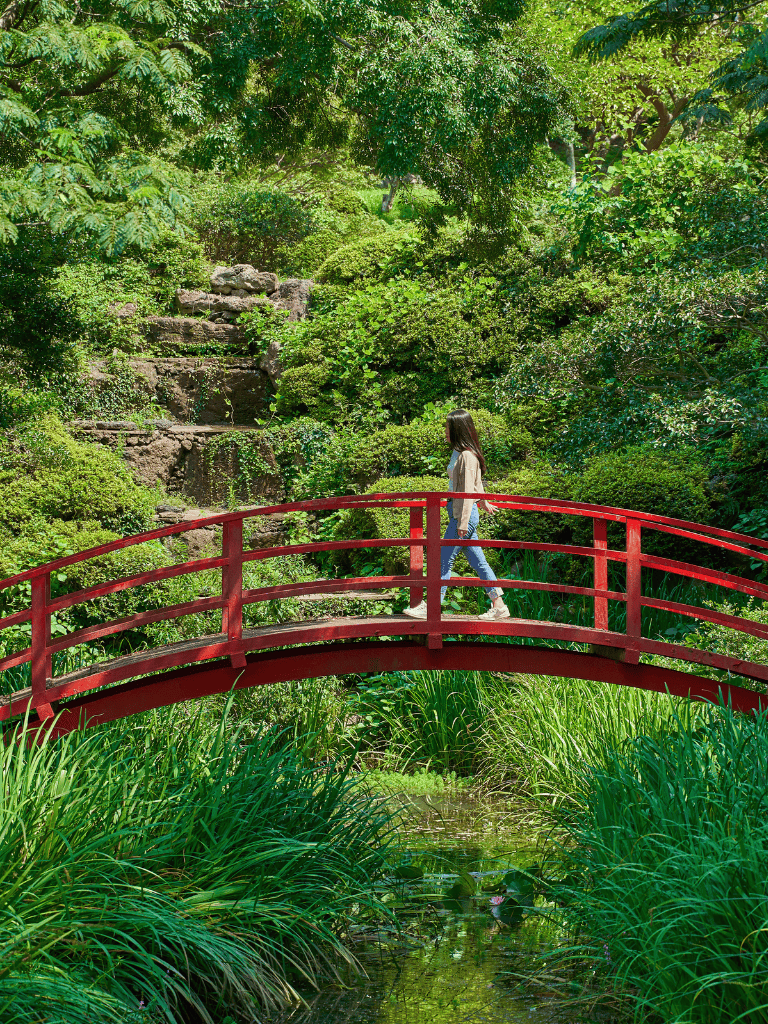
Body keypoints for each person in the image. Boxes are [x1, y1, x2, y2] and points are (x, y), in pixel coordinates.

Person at [404, 408, 510, 620]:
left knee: (443, 560)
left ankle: (432, 606)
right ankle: (499, 605)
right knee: (479, 562)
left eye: (448, 427)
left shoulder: (468, 457)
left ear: (458, 429)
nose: (445, 430)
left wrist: (463, 521)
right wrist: (484, 502)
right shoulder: (459, 453)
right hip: (460, 513)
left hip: (464, 515)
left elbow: (470, 487)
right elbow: (475, 485)